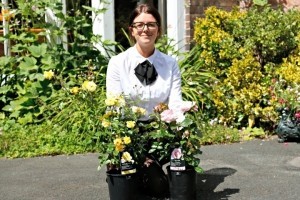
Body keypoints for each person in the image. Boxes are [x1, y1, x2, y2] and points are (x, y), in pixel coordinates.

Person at [106, 3, 182, 198]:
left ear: (159, 30)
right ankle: (142, 169)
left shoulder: (170, 64)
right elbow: (115, 104)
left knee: (158, 188)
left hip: (160, 132)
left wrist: (181, 128)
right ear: (132, 30)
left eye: (151, 24)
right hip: (131, 132)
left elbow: (175, 103)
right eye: (139, 25)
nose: (145, 29)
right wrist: (124, 137)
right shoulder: (117, 63)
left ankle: (149, 167)